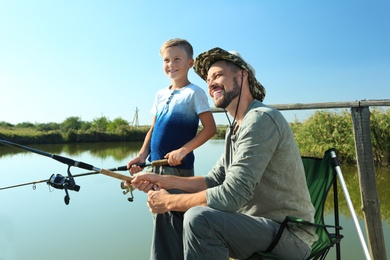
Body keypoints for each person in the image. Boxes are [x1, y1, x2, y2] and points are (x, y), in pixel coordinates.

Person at [129, 47, 317, 260]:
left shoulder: (261, 119)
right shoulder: (234, 129)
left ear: (242, 75)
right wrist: (163, 182)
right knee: (172, 204)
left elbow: (231, 196)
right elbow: (214, 180)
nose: (211, 84)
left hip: (288, 236)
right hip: (253, 228)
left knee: (199, 218)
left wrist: (169, 202)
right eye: (208, 80)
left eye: (218, 75)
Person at [127, 38, 216, 177]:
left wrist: (183, 151)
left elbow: (210, 129)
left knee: (175, 200)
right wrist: (142, 155)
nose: (171, 64)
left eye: (177, 59)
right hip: (153, 167)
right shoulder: (160, 94)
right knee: (153, 199)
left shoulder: (195, 93)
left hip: (179, 170)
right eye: (166, 60)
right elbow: (153, 128)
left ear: (190, 63)